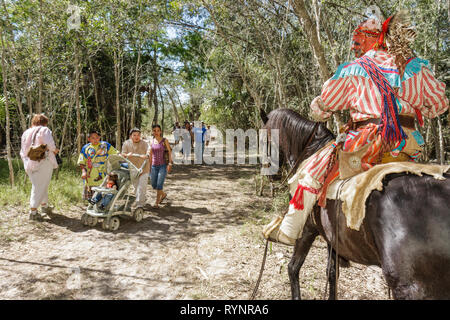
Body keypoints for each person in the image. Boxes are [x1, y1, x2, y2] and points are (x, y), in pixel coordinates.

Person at [263, 10, 449, 246]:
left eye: (358, 40)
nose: (355, 47)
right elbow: (439, 104)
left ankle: (289, 231)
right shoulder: (416, 67)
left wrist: (318, 106)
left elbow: (326, 105)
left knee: (312, 173)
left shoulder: (355, 69)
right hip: (407, 144)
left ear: (373, 39)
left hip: (365, 145)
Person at [20, 114, 59, 220]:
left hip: (29, 162)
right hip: (43, 161)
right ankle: (33, 211)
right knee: (39, 186)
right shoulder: (44, 130)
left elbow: (23, 150)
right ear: (45, 122)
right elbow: (50, 145)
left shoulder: (26, 133)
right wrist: (55, 150)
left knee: (41, 184)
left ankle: (44, 206)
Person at [78, 130, 118, 201]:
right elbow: (81, 161)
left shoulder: (105, 145)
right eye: (92, 138)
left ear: (99, 137)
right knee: (91, 198)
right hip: (90, 176)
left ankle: (102, 208)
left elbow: (115, 153)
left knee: (103, 195)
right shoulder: (85, 148)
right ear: (88, 139)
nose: (95, 139)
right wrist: (83, 171)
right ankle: (91, 209)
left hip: (104, 176)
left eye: (97, 137)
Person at [121, 128, 150, 209]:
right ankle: (141, 200)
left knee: (142, 186)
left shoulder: (144, 143)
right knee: (136, 187)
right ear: (131, 136)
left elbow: (149, 151)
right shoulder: (126, 143)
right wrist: (127, 155)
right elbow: (122, 154)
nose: (137, 137)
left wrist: (147, 155)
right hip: (133, 169)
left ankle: (140, 205)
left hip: (144, 168)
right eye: (134, 135)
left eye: (138, 135)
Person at [149, 124, 173, 208]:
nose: (156, 132)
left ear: (161, 131)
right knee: (153, 185)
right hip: (153, 166)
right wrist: (149, 167)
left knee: (159, 184)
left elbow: (170, 152)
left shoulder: (164, 140)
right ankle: (163, 194)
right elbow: (150, 155)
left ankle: (156, 202)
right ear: (152, 132)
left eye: (158, 130)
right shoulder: (151, 141)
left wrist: (170, 163)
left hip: (162, 166)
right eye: (154, 130)